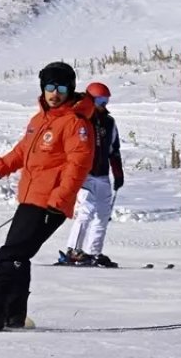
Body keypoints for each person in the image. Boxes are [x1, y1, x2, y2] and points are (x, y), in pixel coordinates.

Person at [0, 61, 95, 331]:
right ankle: (13, 313)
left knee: (10, 255)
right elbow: (21, 153)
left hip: (49, 204)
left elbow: (78, 166)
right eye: (50, 87)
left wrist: (58, 202)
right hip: (31, 199)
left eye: (62, 88)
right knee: (18, 257)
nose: (55, 94)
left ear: (71, 89)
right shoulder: (39, 120)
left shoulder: (75, 124)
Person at [58, 82, 124, 267]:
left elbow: (114, 150)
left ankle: (94, 252)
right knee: (86, 211)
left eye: (106, 100)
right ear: (90, 100)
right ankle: (73, 250)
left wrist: (118, 173)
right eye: (100, 100)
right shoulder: (80, 119)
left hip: (102, 175)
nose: (104, 104)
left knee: (102, 214)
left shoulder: (109, 123)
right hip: (84, 174)